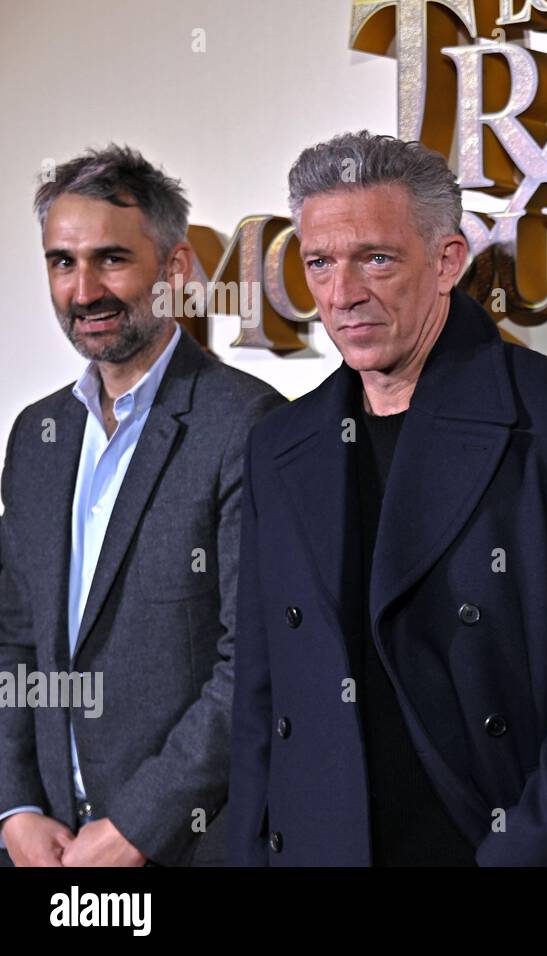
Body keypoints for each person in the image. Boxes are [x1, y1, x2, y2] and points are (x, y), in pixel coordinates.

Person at [227, 131, 547, 866]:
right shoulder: (280, 445)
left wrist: (523, 849)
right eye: (319, 263)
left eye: (376, 258)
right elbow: (261, 694)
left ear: (446, 262)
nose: (343, 295)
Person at [0, 145, 283, 866]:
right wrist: (16, 806)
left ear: (176, 268)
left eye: (112, 259)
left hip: (185, 846)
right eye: (63, 262)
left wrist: (136, 827)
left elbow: (252, 660)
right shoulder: (37, 435)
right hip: (44, 847)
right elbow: (15, 642)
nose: (84, 288)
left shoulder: (246, 425)